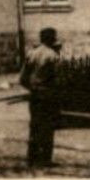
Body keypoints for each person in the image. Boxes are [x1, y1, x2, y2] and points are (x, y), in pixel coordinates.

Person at [19, 27, 64, 168]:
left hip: (35, 95)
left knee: (35, 125)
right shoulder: (53, 56)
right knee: (47, 127)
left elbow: (22, 78)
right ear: (52, 39)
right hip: (48, 96)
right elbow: (58, 80)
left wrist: (32, 88)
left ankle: (32, 158)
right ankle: (45, 159)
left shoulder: (31, 54)